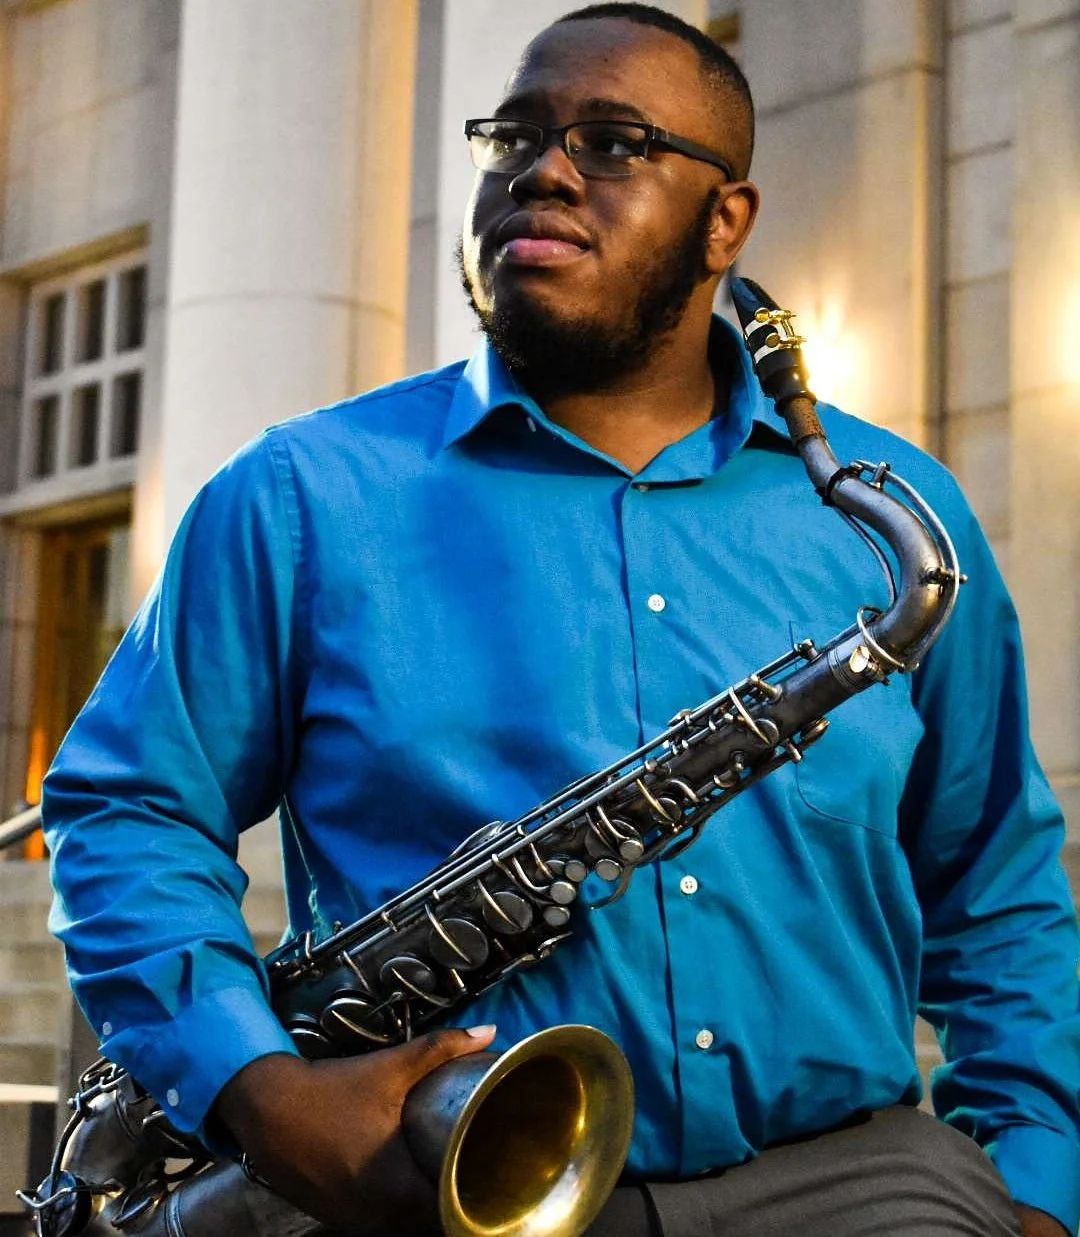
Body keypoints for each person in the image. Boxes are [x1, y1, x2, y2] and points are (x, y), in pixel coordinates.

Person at [42, 5, 1079, 1236]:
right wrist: (262, 1094)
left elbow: (996, 888)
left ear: (727, 221)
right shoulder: (299, 495)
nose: (543, 170)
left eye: (615, 142)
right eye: (515, 136)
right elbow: (130, 808)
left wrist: (1037, 1184)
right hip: (439, 1191)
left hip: (850, 1182)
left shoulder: (896, 515)